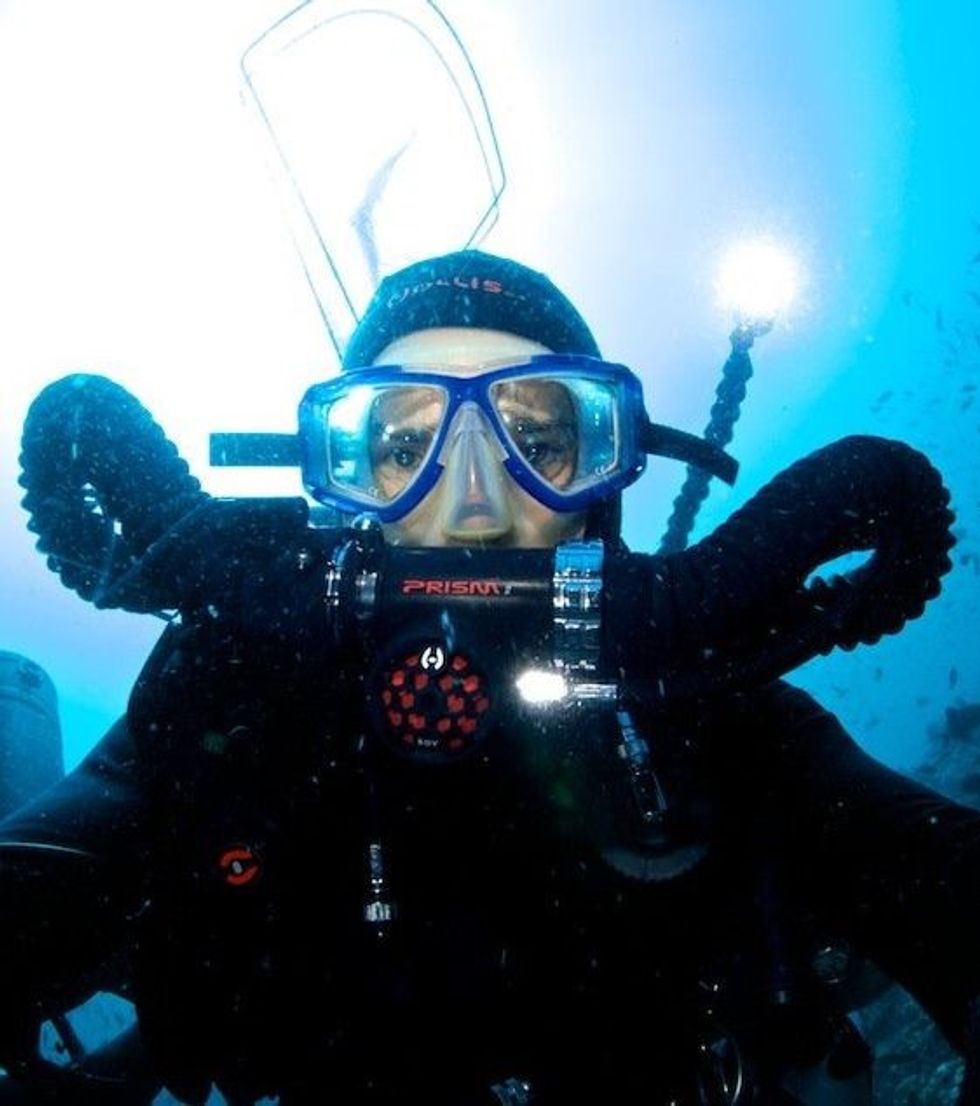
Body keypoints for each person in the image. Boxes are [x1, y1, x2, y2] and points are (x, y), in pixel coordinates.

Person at [2, 248, 980, 1106]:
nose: (471, 504)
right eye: (399, 444)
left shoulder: (713, 722)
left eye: (540, 440)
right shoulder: (230, 709)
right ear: (341, 486)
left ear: (603, 474)